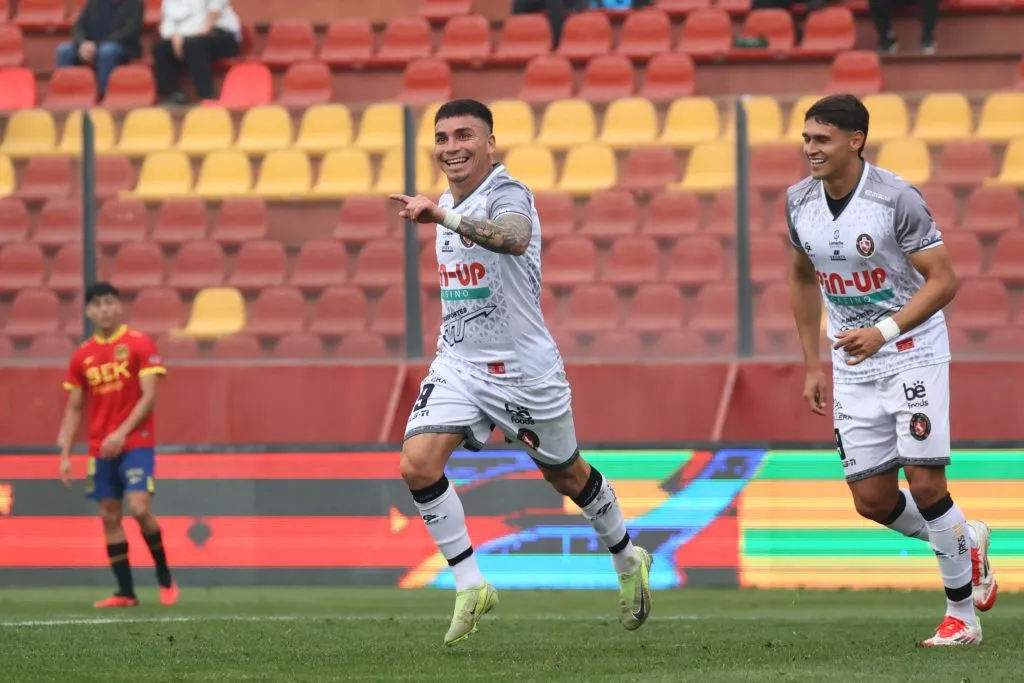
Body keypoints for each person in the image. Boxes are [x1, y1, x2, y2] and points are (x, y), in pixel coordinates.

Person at [389, 98, 652, 646]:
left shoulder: (508, 193)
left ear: (491, 144)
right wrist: (443, 212)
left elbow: (514, 237)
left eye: (464, 135)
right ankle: (470, 584)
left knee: (565, 475)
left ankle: (627, 558)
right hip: (459, 363)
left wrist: (445, 217)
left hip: (525, 374)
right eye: (441, 137)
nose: (451, 146)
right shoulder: (441, 201)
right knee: (416, 465)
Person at [786, 94, 997, 647]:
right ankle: (963, 542)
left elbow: (944, 280)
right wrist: (813, 361)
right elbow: (803, 278)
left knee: (926, 484)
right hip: (852, 364)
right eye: (807, 138)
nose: (810, 149)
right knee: (872, 501)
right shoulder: (798, 202)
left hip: (913, 354)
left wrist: (885, 330)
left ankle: (962, 618)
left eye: (821, 139)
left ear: (855, 141)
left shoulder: (895, 199)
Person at [58, 282, 178, 608]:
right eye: (97, 304)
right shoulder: (82, 355)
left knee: (140, 508)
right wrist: (66, 453)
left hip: (136, 442)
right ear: (88, 311)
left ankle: (164, 574)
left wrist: (122, 433)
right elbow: (74, 406)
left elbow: (150, 397)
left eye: (109, 302)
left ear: (119, 306)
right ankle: (126, 593)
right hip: (100, 448)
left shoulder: (139, 344)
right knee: (109, 517)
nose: (104, 309)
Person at [151, 0, 241, 104]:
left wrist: (184, 38)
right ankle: (173, 95)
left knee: (195, 46)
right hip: (188, 37)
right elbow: (167, 21)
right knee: (161, 48)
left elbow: (212, 14)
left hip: (221, 34)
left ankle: (207, 96)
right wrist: (174, 37)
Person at [55, 0, 143, 99]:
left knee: (107, 51)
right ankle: (65, 95)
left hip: (122, 47)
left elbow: (129, 32)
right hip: (91, 45)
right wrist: (82, 43)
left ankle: (103, 96)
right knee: (64, 50)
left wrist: (96, 45)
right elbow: (78, 26)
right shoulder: (94, 2)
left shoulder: (135, 3)